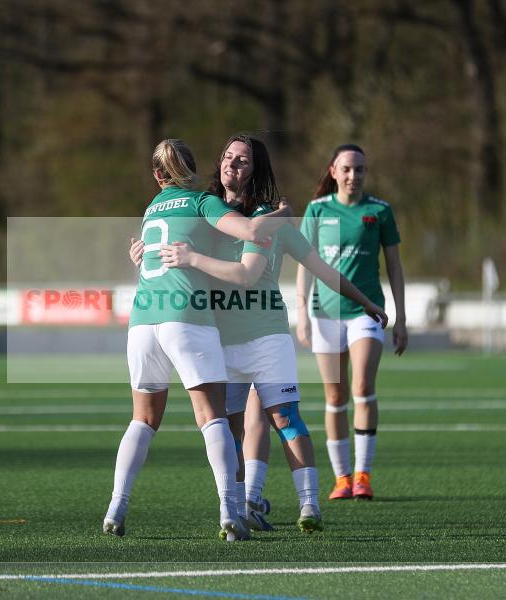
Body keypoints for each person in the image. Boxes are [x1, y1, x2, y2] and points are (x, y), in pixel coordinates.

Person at [152, 135, 387, 533]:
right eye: (227, 156)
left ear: (254, 170)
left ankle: (310, 505)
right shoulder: (206, 211)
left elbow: (322, 269)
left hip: (267, 337)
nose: (232, 165)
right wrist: (142, 252)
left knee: (284, 416)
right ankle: (241, 506)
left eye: (242, 160)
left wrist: (366, 302)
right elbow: (168, 242)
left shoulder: (269, 220)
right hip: (221, 339)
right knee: (228, 427)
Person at [103, 138, 293, 542]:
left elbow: (154, 258)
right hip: (186, 318)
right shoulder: (202, 202)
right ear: (194, 168)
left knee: (142, 420)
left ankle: (116, 507)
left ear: (157, 176)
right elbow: (252, 230)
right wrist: (282, 216)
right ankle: (230, 512)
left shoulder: (151, 209)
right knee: (213, 418)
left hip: (142, 321)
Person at [296, 144, 407, 501]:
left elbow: (394, 266)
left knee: (361, 386)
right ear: (333, 171)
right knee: (335, 394)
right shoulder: (317, 210)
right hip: (325, 314)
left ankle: (363, 475)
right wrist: (301, 313)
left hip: (366, 312)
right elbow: (304, 263)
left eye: (359, 169)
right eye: (346, 169)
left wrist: (400, 318)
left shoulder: (380, 211)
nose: (353, 176)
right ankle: (341, 478)